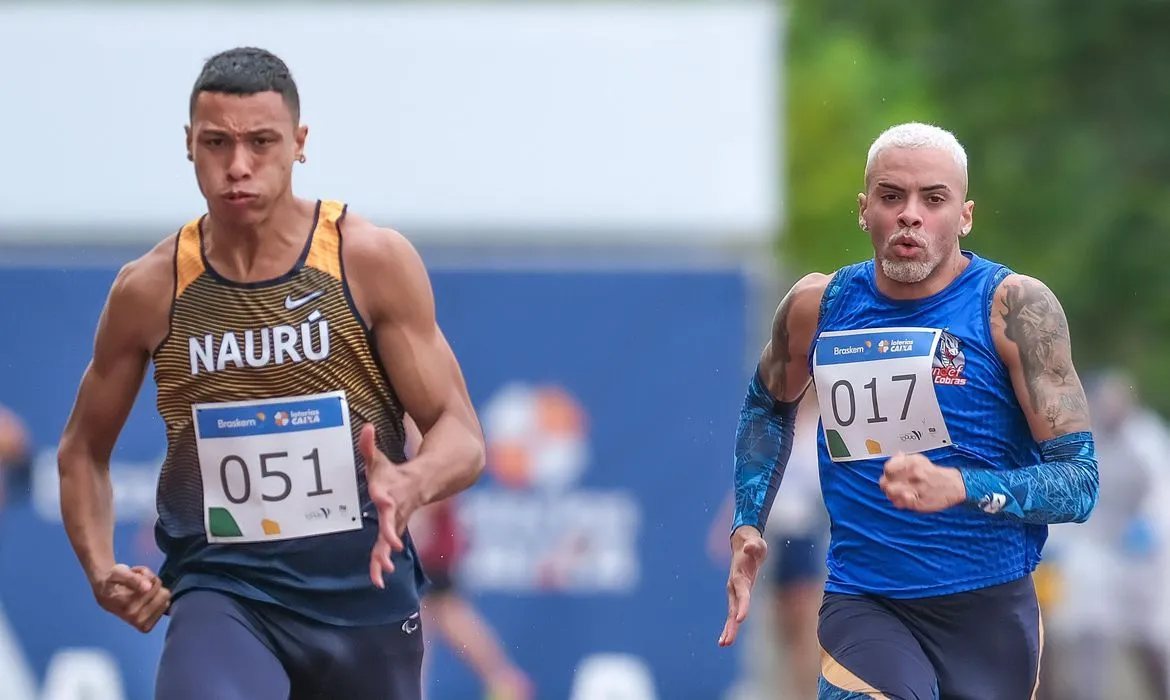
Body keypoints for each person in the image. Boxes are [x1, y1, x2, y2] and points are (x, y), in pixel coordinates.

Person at [56, 47, 486, 700]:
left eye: (261, 142)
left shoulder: (367, 261)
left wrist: (413, 479)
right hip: (224, 589)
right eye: (216, 143)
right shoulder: (151, 289)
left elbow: (460, 433)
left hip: (364, 597)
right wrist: (98, 569)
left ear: (300, 143)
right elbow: (83, 451)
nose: (238, 167)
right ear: (188, 146)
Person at [718, 122, 1099, 699]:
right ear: (864, 209)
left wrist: (959, 485)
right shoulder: (818, 307)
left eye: (933, 199)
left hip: (989, 610)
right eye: (891, 196)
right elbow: (766, 407)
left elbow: (1080, 483)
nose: (910, 215)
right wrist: (748, 521)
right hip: (865, 602)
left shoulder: (1015, 310)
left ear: (965, 215)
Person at [404, 418, 534, 700]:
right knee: (433, 616)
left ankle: (505, 681)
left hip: (426, 541)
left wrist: (419, 517)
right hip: (420, 537)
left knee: (436, 614)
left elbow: (442, 474)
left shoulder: (414, 411)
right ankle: (504, 680)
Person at [707, 391, 826, 698]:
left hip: (802, 536)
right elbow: (752, 480)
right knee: (782, 627)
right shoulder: (780, 425)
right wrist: (730, 525)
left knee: (804, 627)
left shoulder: (817, 427)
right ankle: (792, 689)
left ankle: (806, 691)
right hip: (773, 540)